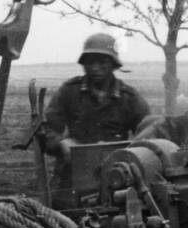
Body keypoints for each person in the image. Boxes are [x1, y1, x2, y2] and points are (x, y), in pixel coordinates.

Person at [41, 33, 150, 191]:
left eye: (102, 62)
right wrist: (61, 143)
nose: (95, 68)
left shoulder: (129, 98)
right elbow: (46, 128)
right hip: (73, 175)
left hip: (118, 176)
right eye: (90, 62)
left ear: (113, 64)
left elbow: (148, 132)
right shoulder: (70, 91)